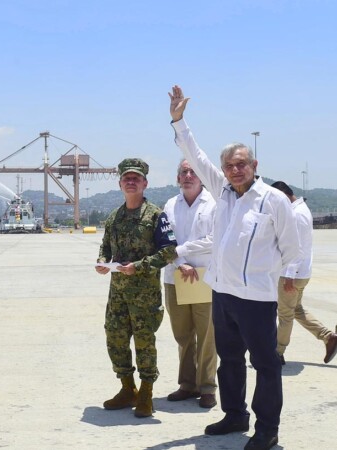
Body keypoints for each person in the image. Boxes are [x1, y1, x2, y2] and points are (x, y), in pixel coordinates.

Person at [169, 85, 301, 450]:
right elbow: (195, 157)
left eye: (241, 164)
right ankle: (234, 415)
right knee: (229, 360)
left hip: (256, 298)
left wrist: (284, 277)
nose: (234, 170)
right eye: (228, 165)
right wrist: (179, 121)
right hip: (223, 294)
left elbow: (293, 248)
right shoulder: (222, 191)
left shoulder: (273, 201)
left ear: (254, 166)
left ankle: (267, 429)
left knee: (266, 365)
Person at [95, 158, 177, 418]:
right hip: (117, 293)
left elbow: (169, 251)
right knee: (115, 339)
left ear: (144, 183)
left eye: (136, 178)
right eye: (126, 178)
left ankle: (146, 392)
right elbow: (105, 247)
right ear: (120, 184)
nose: (131, 182)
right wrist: (101, 262)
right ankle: (127, 388)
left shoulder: (155, 215)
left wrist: (140, 266)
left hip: (144, 294)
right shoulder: (114, 217)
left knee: (144, 342)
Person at [162, 160, 218, 408]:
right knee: (183, 335)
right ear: (177, 178)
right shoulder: (170, 205)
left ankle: (207, 386)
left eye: (193, 171)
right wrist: (181, 261)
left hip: (204, 277)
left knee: (207, 335)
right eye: (183, 172)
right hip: (176, 276)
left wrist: (182, 253)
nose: (187, 175)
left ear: (202, 177)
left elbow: (213, 240)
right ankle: (187, 384)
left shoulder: (214, 204)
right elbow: (165, 239)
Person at [270, 181, 337, 365]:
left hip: (292, 274)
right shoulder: (302, 209)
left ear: (283, 195)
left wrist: (289, 274)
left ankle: (278, 352)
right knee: (296, 309)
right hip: (301, 272)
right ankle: (328, 337)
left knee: (285, 315)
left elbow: (296, 247)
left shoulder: (295, 214)